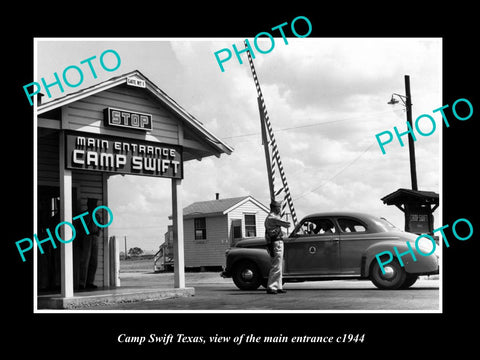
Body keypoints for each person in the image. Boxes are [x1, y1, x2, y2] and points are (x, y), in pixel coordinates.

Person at [264, 200, 291, 294]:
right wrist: (281, 215)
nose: (280, 209)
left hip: (275, 241)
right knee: (276, 265)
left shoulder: (271, 217)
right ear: (274, 208)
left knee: (278, 265)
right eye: (278, 207)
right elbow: (288, 224)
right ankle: (271, 286)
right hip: (276, 242)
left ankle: (278, 286)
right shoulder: (272, 218)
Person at [78, 198, 101, 290]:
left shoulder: (97, 216)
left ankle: (90, 282)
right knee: (85, 260)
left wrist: (98, 232)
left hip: (94, 237)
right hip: (87, 237)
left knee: (94, 261)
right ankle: (81, 283)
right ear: (89, 205)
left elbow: (99, 226)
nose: (94, 207)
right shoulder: (84, 215)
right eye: (92, 205)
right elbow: (82, 227)